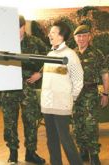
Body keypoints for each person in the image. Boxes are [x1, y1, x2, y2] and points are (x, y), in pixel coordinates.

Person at [1, 15, 48, 164]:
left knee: (30, 120)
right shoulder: (4, 43)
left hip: (28, 85)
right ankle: (13, 153)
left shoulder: (34, 41)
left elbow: (51, 56)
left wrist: (40, 73)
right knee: (9, 121)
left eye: (19, 28)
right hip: (9, 87)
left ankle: (31, 153)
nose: (16, 32)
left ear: (23, 27)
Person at [39, 21, 84, 165]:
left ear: (61, 36)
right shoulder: (49, 54)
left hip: (61, 105)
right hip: (47, 105)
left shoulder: (70, 55)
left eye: (52, 32)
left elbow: (78, 80)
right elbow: (48, 80)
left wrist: (70, 98)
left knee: (66, 141)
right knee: (51, 141)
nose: (49, 35)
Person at [72, 25, 109, 165]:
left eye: (84, 35)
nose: (81, 39)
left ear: (89, 37)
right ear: (75, 38)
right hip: (74, 96)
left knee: (90, 125)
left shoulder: (97, 54)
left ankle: (94, 155)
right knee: (77, 124)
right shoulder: (71, 54)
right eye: (78, 36)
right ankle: (83, 151)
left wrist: (106, 94)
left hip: (90, 95)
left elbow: (105, 75)